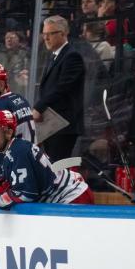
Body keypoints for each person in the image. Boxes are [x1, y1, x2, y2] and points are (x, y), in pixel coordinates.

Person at [0, 110, 93, 229]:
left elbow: (26, 194)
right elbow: (12, 184)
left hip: (73, 196)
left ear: (8, 132)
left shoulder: (18, 152)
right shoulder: (13, 149)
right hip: (67, 195)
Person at [32, 15, 85, 162]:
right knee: (50, 166)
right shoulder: (55, 56)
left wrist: (39, 107)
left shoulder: (72, 56)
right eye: (44, 34)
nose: (46, 38)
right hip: (52, 124)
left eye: (50, 33)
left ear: (63, 33)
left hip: (63, 125)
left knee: (57, 167)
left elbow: (62, 88)